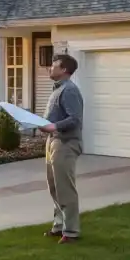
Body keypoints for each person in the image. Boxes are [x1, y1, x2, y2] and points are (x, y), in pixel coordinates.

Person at [38, 53, 83, 244]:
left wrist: (54, 126)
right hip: (53, 141)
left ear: (64, 69)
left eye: (53, 64)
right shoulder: (57, 89)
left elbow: (75, 119)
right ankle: (59, 226)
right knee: (54, 187)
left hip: (66, 143)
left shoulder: (70, 90)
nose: (50, 67)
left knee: (65, 189)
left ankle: (71, 231)